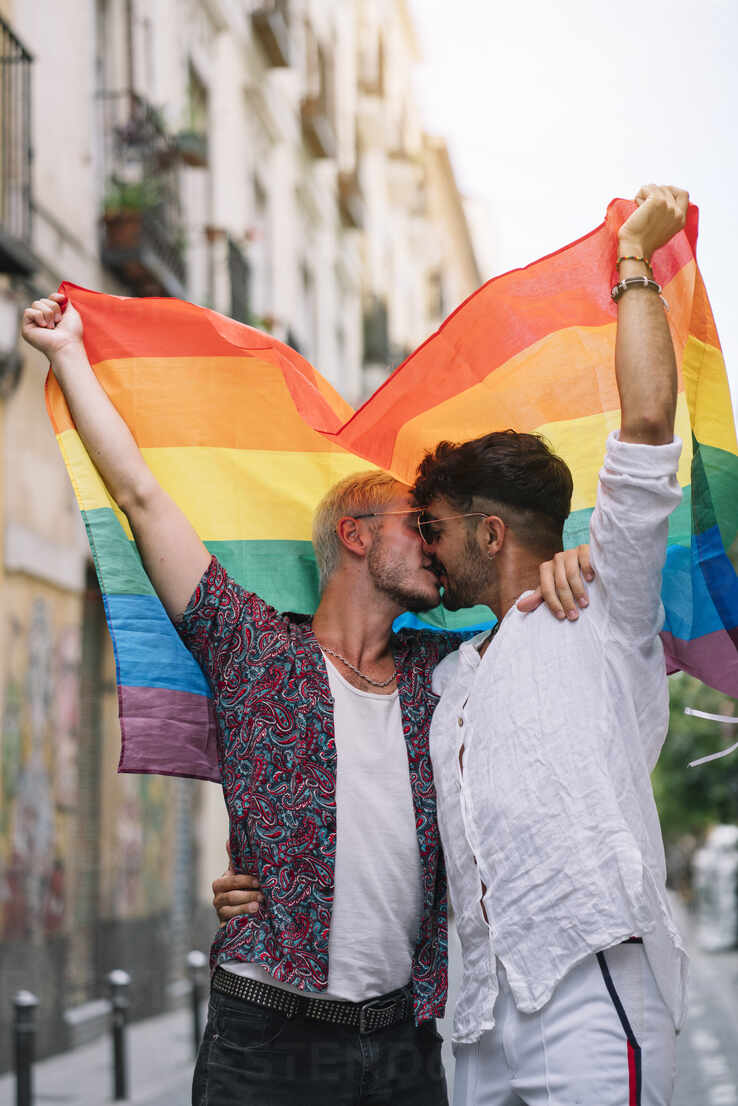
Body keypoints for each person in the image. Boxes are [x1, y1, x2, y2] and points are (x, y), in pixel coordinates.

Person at [22, 292, 586, 1106]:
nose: (435, 541)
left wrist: (565, 567)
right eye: (416, 524)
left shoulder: (450, 671)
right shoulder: (256, 652)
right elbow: (142, 496)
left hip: (404, 1038)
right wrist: (69, 354)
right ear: (354, 535)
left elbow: (548, 631)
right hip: (270, 1032)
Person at [407, 183, 689, 1105]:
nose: (427, 551)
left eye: (437, 530)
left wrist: (636, 264)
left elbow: (646, 432)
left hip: (593, 991)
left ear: (491, 536)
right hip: (479, 1020)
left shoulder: (600, 604)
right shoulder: (448, 677)